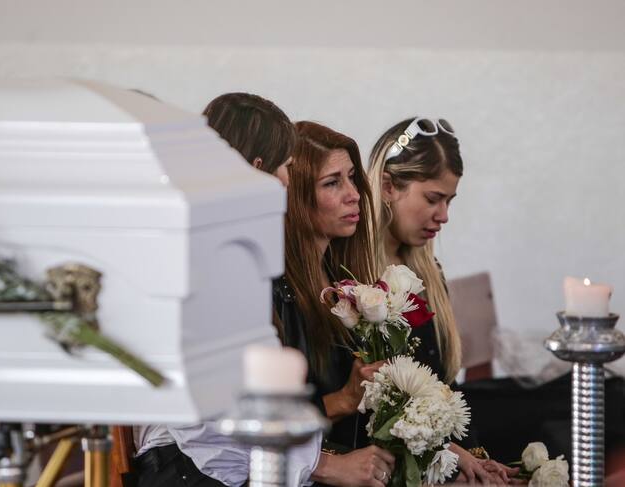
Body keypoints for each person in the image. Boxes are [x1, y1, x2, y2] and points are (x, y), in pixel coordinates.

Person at [134, 92, 310, 487]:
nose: (289, 181)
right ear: (258, 170)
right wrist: (317, 466)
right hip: (187, 468)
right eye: (286, 166)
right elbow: (207, 430)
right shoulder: (204, 253)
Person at [367, 117, 519, 484]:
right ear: (388, 186)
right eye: (433, 198)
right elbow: (373, 407)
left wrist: (477, 457)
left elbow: (445, 387)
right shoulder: (356, 281)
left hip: (439, 449)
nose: (444, 216)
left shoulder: (429, 273)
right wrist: (452, 453)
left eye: (449, 201)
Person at [274, 121, 395, 486]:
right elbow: (268, 424)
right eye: (332, 183)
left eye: (352, 178)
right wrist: (343, 399)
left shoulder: (345, 282)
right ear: (295, 195)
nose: (354, 194)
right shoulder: (274, 293)